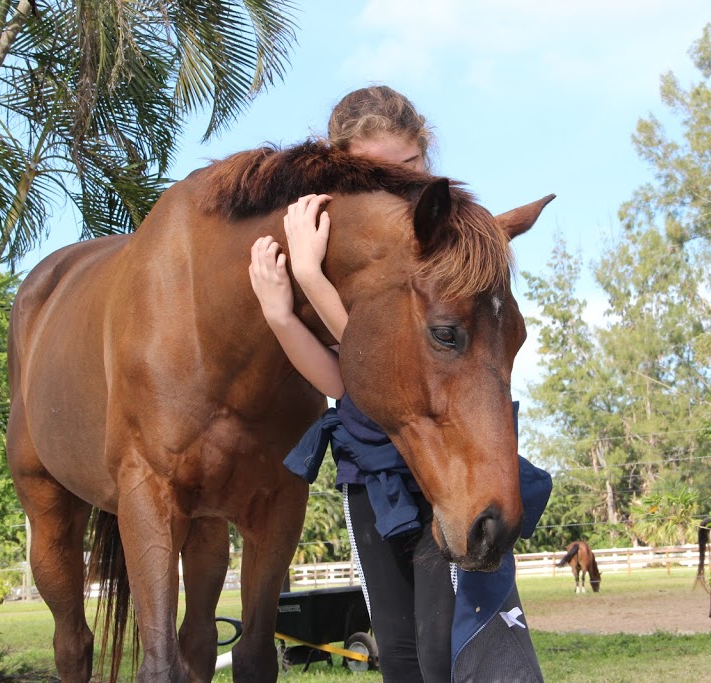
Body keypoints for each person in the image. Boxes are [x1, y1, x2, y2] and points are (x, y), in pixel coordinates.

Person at [248, 85, 547, 683]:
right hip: (370, 469)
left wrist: (310, 277)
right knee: (400, 656)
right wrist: (283, 313)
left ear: (426, 159)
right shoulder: (351, 252)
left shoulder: (448, 241)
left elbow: (408, 352)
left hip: (445, 464)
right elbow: (344, 378)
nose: (396, 185)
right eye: (374, 172)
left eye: (407, 168)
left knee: (448, 650)